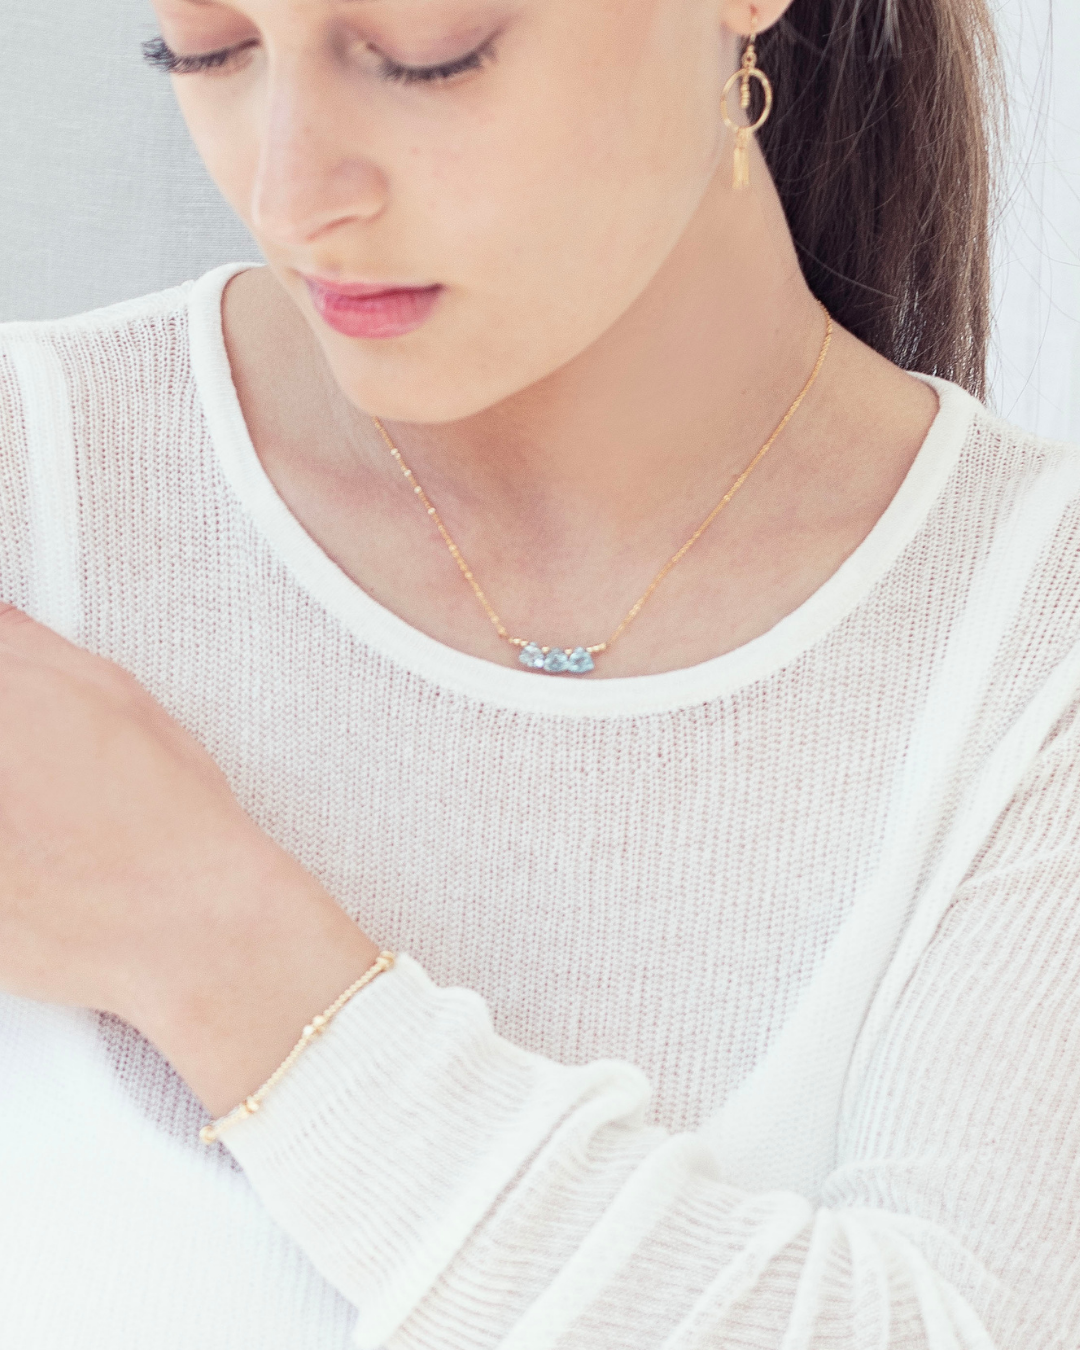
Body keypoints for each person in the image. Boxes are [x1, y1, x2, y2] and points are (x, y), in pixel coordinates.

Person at [1, 0, 1077, 1345]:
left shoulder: (1039, 641)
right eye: (210, 47)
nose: (289, 196)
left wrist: (212, 944)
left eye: (426, 53)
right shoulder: (30, 490)